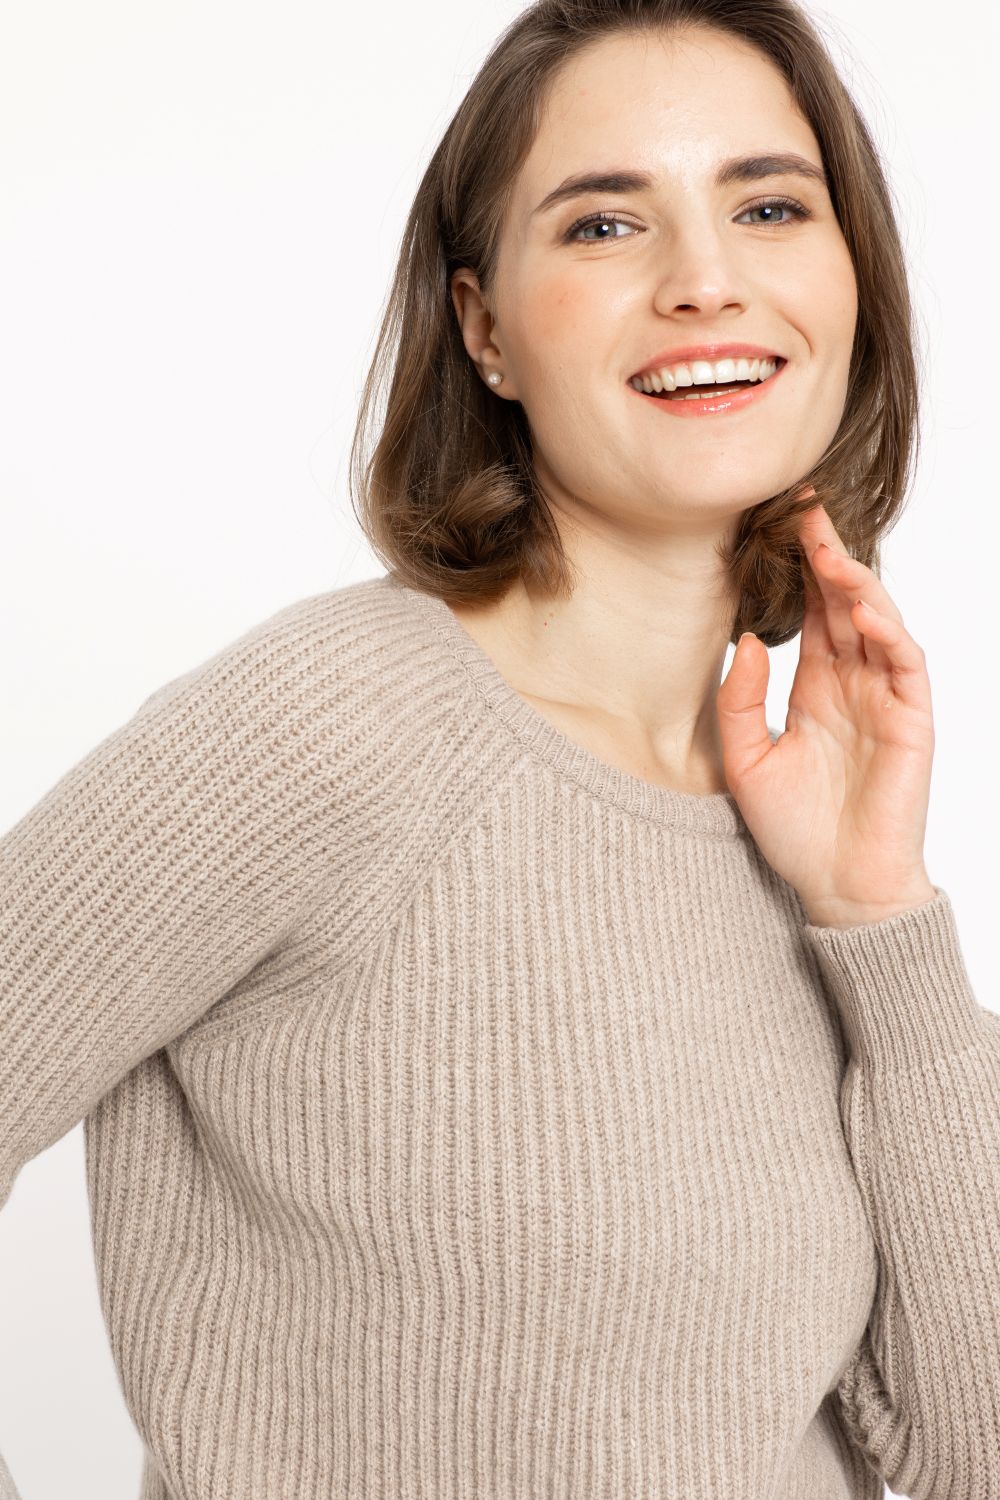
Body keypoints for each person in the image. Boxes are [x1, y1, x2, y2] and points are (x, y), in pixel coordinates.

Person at [2, 1, 998, 1497]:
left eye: (770, 207)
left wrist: (880, 915)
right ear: (486, 329)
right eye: (605, 223)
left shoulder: (800, 818)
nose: (705, 279)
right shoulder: (336, 721)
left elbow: (970, 1448)